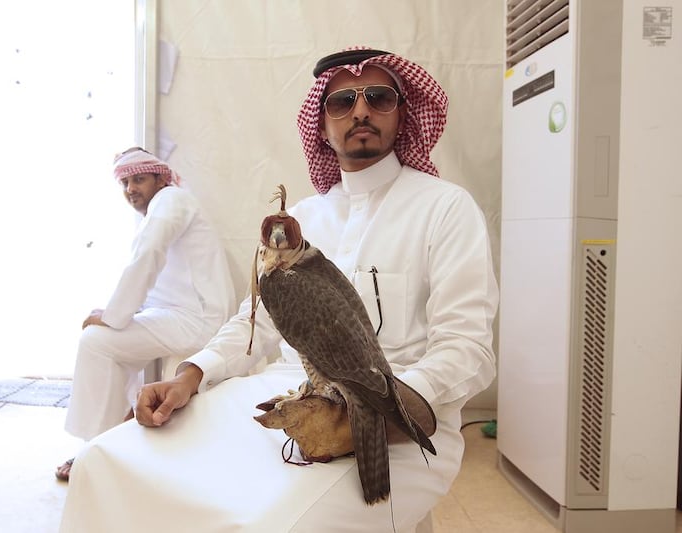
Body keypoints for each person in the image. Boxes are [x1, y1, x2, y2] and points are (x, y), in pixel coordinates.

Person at [59, 47, 498, 532]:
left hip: (401, 421)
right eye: (341, 102)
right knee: (104, 463)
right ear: (322, 125)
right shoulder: (302, 219)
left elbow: (467, 348)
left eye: (378, 97)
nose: (359, 110)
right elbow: (256, 325)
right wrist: (191, 374)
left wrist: (392, 404)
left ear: (403, 112)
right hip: (289, 394)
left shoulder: (445, 208)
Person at [56, 147, 236, 481]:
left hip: (196, 321)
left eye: (138, 179)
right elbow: (161, 277)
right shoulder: (169, 205)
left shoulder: (170, 200)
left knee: (96, 341)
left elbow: (148, 254)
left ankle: (94, 451)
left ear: (160, 178)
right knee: (112, 340)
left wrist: (114, 315)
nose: (130, 189)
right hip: (181, 316)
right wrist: (124, 312)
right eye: (124, 183)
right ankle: (111, 443)